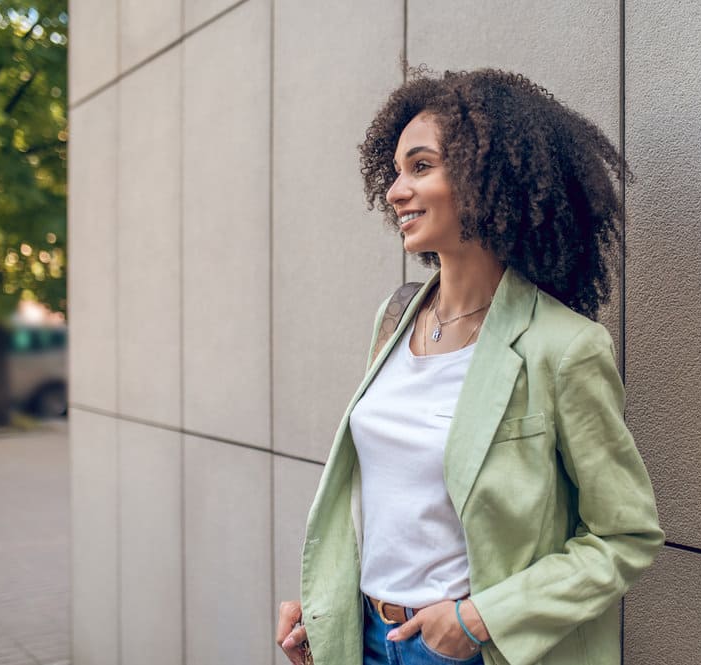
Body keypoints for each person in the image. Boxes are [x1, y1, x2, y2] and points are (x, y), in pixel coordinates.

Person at [276, 68, 664, 665]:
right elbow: (388, 497)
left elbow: (624, 536)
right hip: (365, 639)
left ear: (487, 179)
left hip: (466, 650)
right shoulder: (396, 314)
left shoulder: (563, 347)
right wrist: (327, 602)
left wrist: (480, 619)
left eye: (421, 167)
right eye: (397, 171)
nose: (395, 191)